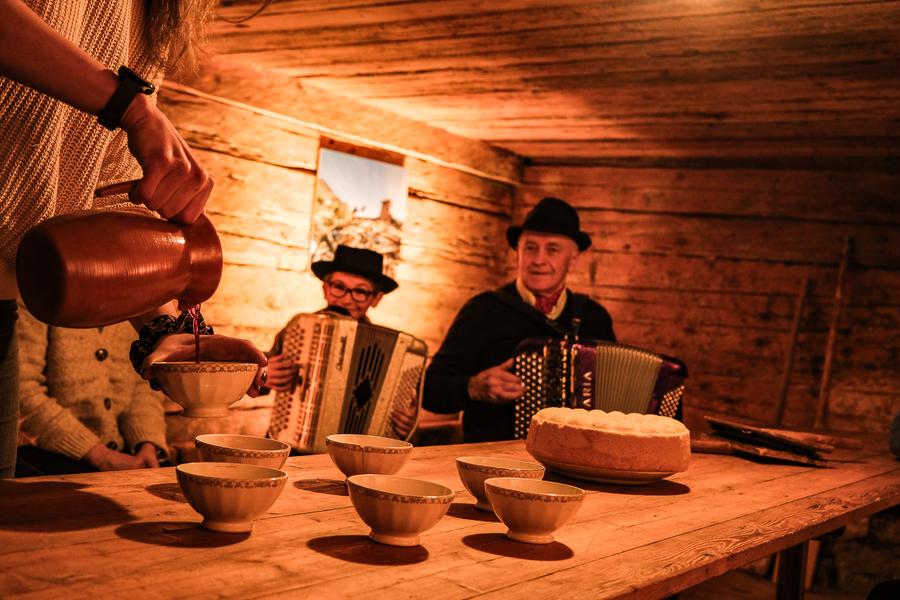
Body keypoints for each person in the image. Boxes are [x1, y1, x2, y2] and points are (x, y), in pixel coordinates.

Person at [0, 0, 267, 478]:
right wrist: (131, 106)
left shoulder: (161, 14)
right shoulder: (132, 99)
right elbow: (122, 110)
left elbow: (103, 187)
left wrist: (167, 329)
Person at [423, 197, 616, 442]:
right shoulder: (484, 310)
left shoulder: (594, 318)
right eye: (530, 247)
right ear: (518, 254)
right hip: (493, 459)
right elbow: (431, 389)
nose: (538, 259)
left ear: (573, 258)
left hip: (576, 461)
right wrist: (472, 387)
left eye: (552, 249)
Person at [263, 245, 417, 438]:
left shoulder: (391, 350)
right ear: (326, 288)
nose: (346, 299)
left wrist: (406, 422)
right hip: (293, 439)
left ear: (376, 299)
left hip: (360, 449)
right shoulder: (299, 328)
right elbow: (260, 375)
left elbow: (405, 414)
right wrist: (264, 375)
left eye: (360, 291)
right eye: (338, 287)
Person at [15, 302, 170, 476]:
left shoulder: (130, 301)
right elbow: (23, 391)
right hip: (52, 454)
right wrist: (101, 456)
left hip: (126, 454)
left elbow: (142, 384)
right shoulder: (37, 299)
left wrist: (146, 444)